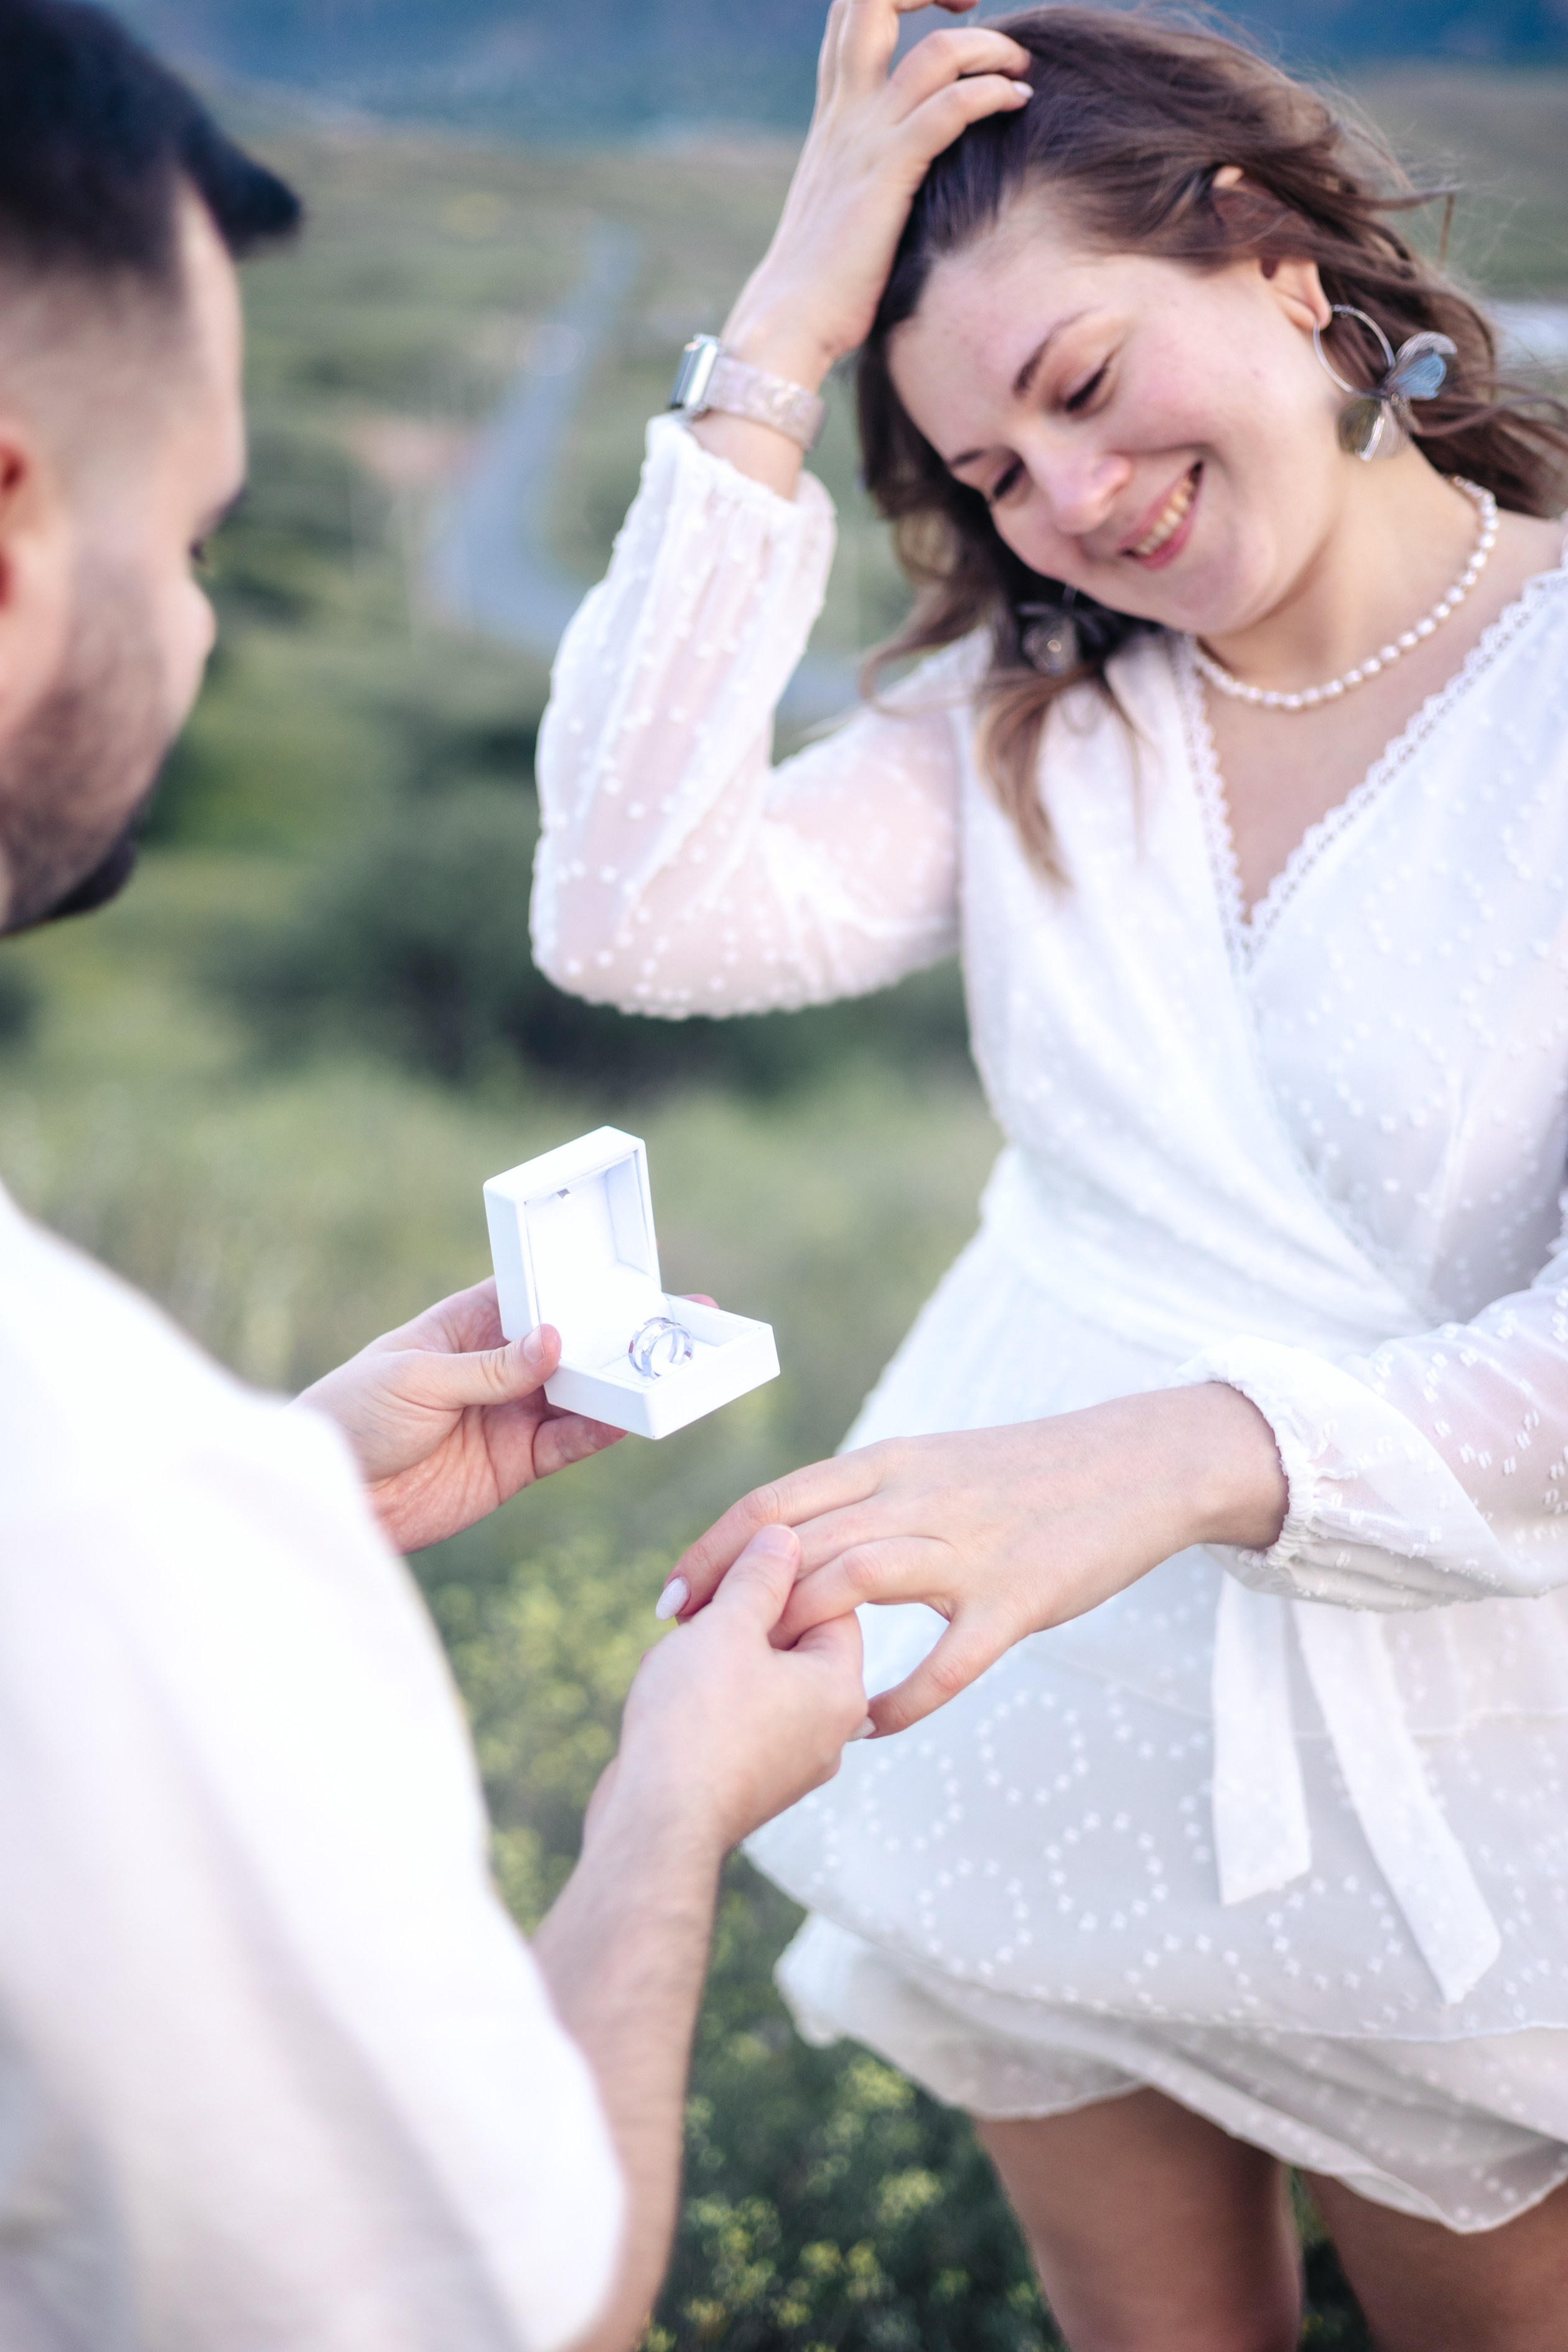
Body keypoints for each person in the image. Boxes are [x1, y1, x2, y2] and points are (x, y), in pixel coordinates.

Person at [531, 3, 1568, 2345]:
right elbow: (622, 906)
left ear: (1286, 265)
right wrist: (771, 352)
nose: (1072, 503)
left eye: (1089, 387)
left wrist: (1175, 1460)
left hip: (1462, 1740)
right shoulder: (1032, 702)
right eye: (993, 467)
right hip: (1007, 1698)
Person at [0, 5, 868, 2347]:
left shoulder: (119, 1522)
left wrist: (272, 1493)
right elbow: (502, 2306)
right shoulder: (88, 1513)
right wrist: (671, 1812)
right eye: (193, 533)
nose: (193, 621)